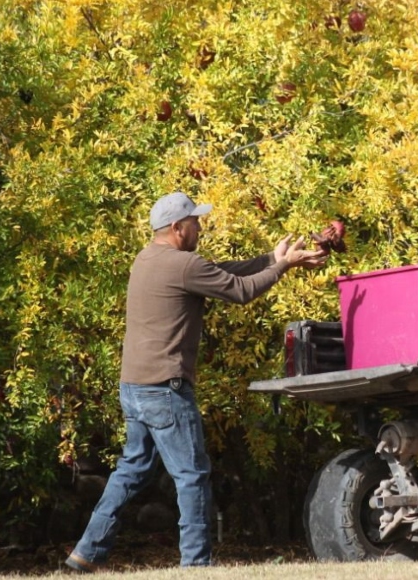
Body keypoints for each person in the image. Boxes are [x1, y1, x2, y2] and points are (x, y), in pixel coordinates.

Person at [65, 192, 327, 571]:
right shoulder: (182, 265)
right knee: (192, 476)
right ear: (177, 228)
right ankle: (196, 565)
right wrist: (281, 268)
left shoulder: (148, 259)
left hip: (134, 387)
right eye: (195, 222)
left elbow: (223, 270)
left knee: (132, 469)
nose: (200, 228)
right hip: (163, 390)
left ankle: (86, 552)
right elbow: (241, 291)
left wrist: (273, 258)